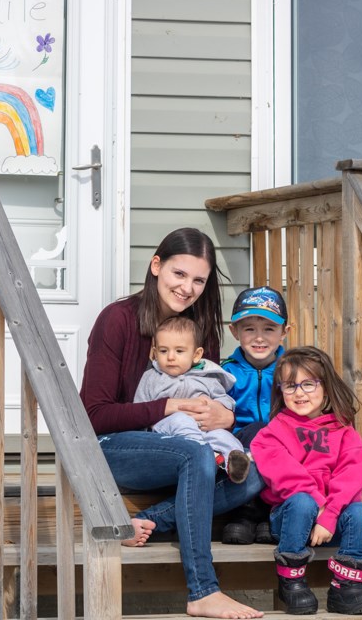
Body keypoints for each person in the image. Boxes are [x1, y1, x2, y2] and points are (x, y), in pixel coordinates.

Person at [80, 227, 264, 619]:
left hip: (185, 445)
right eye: (179, 274)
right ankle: (202, 590)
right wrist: (168, 406)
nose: (187, 288)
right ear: (156, 266)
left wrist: (225, 415)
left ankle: (144, 522)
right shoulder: (118, 320)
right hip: (117, 446)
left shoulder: (198, 329)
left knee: (257, 464)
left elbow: (212, 397)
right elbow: (93, 415)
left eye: (198, 279)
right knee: (194, 454)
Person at [250, 347, 362, 616]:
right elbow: (288, 476)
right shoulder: (271, 433)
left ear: (326, 387)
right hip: (290, 520)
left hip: (330, 524)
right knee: (301, 501)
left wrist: (330, 514)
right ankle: (292, 581)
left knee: (361, 511)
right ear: (280, 391)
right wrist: (321, 509)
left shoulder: (344, 431)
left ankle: (347, 587)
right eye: (290, 386)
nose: (299, 393)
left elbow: (351, 476)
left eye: (308, 384)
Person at [134, 315, 251, 483]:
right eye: (163, 350)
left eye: (179, 351)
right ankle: (204, 454)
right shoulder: (151, 377)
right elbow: (140, 409)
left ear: (196, 355)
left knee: (223, 437)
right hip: (167, 431)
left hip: (205, 430)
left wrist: (215, 406)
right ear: (154, 353)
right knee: (181, 420)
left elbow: (225, 401)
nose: (170, 357)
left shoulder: (207, 377)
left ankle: (232, 462)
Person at [220, 286, 291, 543]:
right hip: (240, 447)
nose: (259, 337)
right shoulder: (225, 373)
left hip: (284, 448)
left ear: (285, 332)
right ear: (234, 331)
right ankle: (245, 514)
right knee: (258, 432)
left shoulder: (294, 371)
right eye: (249, 329)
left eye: (269, 329)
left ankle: (271, 514)